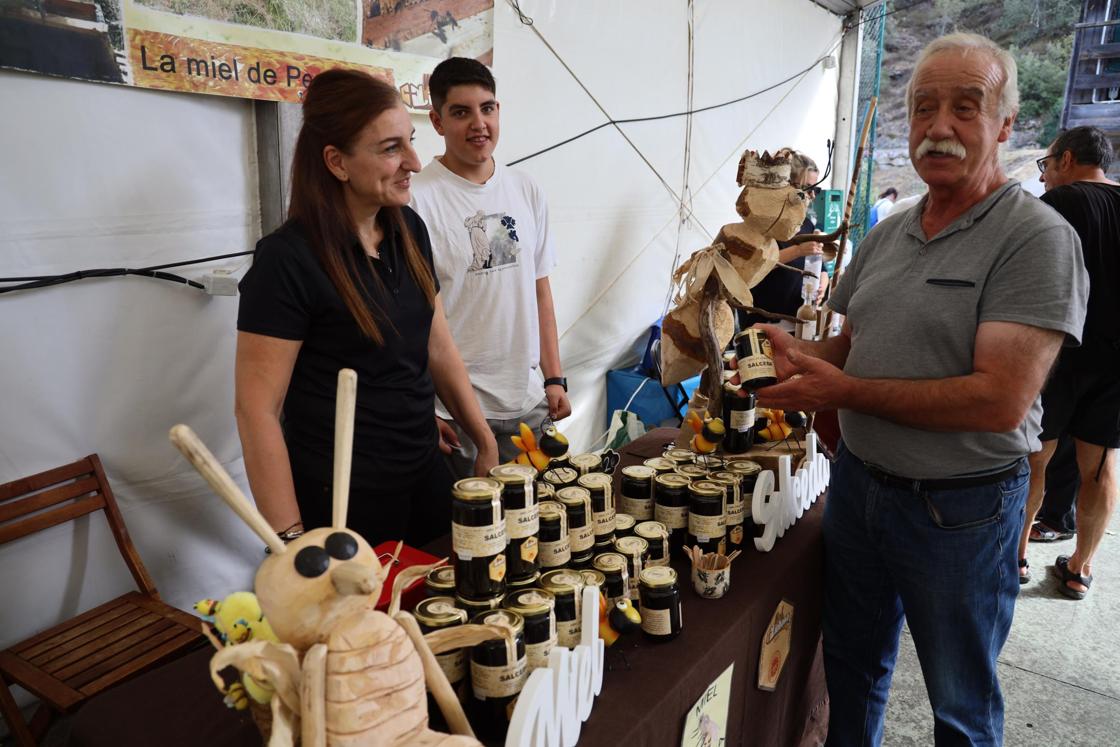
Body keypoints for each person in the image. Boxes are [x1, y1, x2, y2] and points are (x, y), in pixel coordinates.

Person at [756, 33, 1088, 745]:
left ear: (1005, 125)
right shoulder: (890, 233)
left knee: (960, 702)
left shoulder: (1035, 238)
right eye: (923, 108)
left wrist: (842, 388)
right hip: (860, 491)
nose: (938, 126)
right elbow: (854, 345)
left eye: (966, 107)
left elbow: (997, 398)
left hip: (959, 511)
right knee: (851, 668)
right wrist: (793, 359)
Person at [235, 69, 498, 549]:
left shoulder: (408, 230)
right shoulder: (287, 260)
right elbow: (258, 411)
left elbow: (437, 347)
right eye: (391, 148)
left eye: (411, 142)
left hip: (424, 478)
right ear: (337, 162)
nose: (415, 163)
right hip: (341, 507)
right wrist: (292, 543)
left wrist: (484, 438)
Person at [410, 57, 570, 474]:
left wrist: (554, 378)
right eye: (461, 112)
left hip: (528, 402)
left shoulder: (525, 188)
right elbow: (410, 318)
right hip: (456, 414)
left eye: (487, 108)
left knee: (538, 526)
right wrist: (425, 407)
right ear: (437, 121)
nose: (478, 123)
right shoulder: (417, 198)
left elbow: (540, 290)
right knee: (472, 533)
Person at [1019, 125, 1120, 597]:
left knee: (1035, 458)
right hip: (1116, 364)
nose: (1043, 179)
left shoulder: (1059, 205)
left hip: (1060, 354)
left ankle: (1015, 557)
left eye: (1046, 166)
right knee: (1099, 465)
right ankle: (1080, 568)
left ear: (1065, 160)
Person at [746, 151, 829, 320]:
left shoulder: (805, 223)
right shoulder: (763, 222)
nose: (812, 195)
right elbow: (755, 264)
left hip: (796, 317)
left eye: (816, 189)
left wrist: (823, 282)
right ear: (787, 185)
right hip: (764, 318)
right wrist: (798, 251)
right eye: (807, 188)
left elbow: (820, 266)